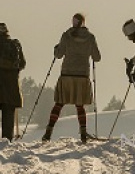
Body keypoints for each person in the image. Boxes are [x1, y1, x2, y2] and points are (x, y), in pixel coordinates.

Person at [42, 13, 101, 143]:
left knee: (59, 103)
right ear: (84, 23)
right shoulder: (90, 38)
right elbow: (97, 57)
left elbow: (58, 55)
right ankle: (83, 133)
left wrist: (56, 48)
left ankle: (49, 131)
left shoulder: (66, 36)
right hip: (82, 75)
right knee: (80, 105)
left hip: (67, 73)